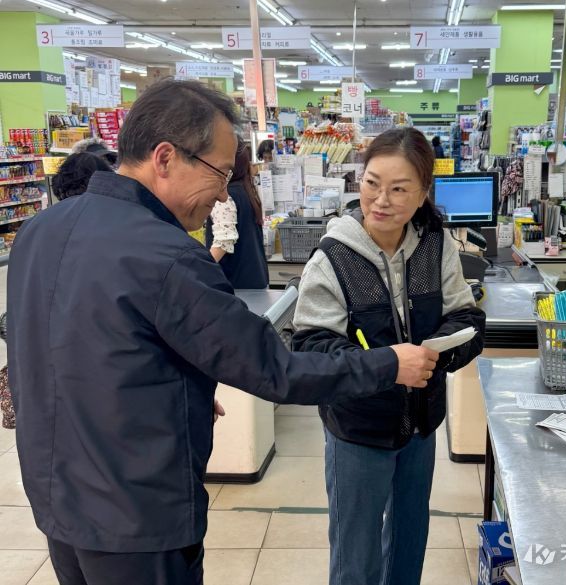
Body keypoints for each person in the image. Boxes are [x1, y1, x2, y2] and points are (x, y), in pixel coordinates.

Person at [7, 79, 438, 585]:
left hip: (57, 501)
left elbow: (62, 345)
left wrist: (177, 387)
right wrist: (389, 364)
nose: (221, 193)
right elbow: (277, 370)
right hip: (138, 519)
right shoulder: (168, 257)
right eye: (219, 172)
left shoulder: (41, 230)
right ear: (165, 157)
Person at [293, 127, 486, 585]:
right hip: (358, 429)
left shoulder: (435, 247)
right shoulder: (334, 258)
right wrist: (389, 366)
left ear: (422, 193)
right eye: (372, 183)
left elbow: (467, 318)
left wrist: (436, 356)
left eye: (399, 189)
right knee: (355, 558)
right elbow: (312, 349)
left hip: (420, 424)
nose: (381, 200)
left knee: (408, 541)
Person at [206, 143, 269, 288]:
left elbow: (224, 241)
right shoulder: (246, 191)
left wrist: (201, 270)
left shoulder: (225, 197)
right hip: (255, 277)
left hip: (235, 282)